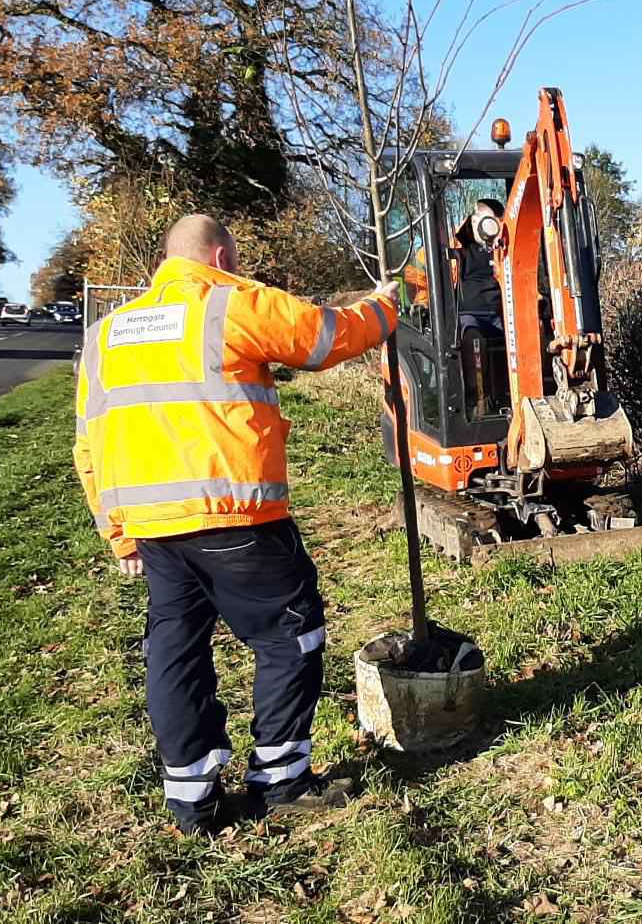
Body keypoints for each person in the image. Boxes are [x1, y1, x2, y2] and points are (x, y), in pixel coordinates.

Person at [71, 214, 398, 835]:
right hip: (235, 518)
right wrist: (385, 308)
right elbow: (325, 337)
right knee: (289, 637)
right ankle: (281, 778)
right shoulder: (228, 304)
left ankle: (191, 799)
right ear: (221, 256)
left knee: (176, 652)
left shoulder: (105, 335)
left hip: (154, 530)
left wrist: (118, 534)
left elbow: (87, 443)